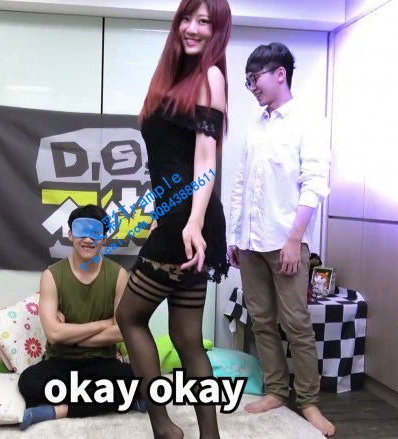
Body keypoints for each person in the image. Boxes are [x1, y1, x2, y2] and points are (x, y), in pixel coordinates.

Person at [115, 1, 232, 438]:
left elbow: (205, 159)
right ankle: (208, 436)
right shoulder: (174, 78)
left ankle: (164, 426)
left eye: (204, 21)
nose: (192, 28)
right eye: (187, 18)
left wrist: (193, 222)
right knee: (185, 337)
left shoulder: (210, 77)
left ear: (217, 30)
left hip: (189, 217)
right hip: (179, 214)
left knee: (129, 316)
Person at [226, 42, 335, 436]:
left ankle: (309, 402)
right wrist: (234, 235)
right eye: (247, 81)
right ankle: (276, 391)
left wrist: (294, 239)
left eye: (254, 78)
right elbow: (240, 183)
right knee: (261, 321)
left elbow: (315, 183)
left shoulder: (309, 121)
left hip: (286, 241)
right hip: (250, 243)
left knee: (297, 324)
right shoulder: (254, 126)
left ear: (280, 74)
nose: (251, 87)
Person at [18, 205, 145, 430]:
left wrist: (71, 335)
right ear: (70, 234)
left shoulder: (118, 275)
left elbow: (121, 331)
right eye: (82, 231)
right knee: (29, 382)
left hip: (103, 363)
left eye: (95, 232)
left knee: (140, 379)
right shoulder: (51, 276)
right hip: (60, 362)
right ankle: (117, 401)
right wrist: (104, 323)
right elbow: (54, 334)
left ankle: (58, 410)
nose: (88, 239)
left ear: (103, 238)